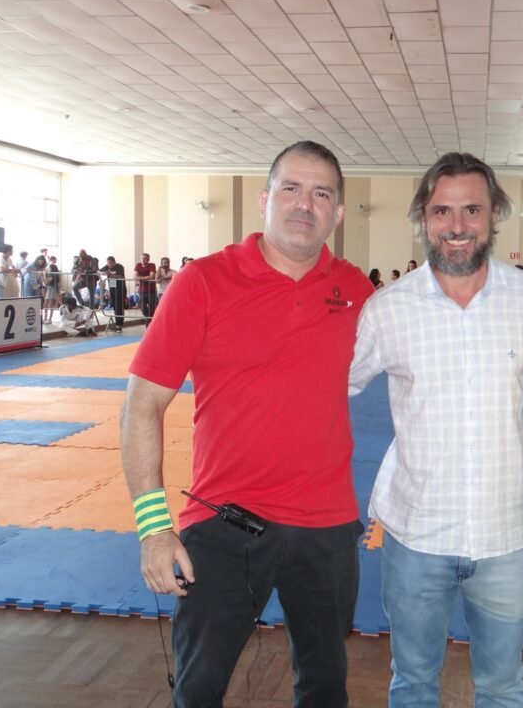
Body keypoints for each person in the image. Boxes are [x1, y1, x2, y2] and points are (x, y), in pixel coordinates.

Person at [120, 141, 373, 708]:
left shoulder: (356, 290)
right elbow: (142, 404)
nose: (304, 204)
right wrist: (154, 528)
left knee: (325, 688)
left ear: (337, 212)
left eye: (321, 194)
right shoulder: (204, 282)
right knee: (199, 689)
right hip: (224, 522)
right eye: (291, 188)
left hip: (327, 526)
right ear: (264, 199)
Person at [349, 152, 523, 706]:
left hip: (509, 535)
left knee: (502, 686)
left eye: (472, 209)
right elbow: (328, 389)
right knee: (413, 683)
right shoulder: (388, 310)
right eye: (442, 211)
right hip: (416, 534)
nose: (457, 225)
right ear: (423, 218)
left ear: (494, 215)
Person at [100, 256, 126, 331]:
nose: (109, 265)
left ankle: (119, 325)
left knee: (119, 307)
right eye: (108, 263)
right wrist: (103, 273)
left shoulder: (119, 267)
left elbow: (120, 276)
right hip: (112, 289)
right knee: (115, 307)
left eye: (110, 263)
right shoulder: (107, 266)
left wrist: (110, 275)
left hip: (120, 289)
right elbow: (99, 270)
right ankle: (117, 324)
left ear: (114, 262)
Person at [134, 252, 157, 320]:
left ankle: (149, 321)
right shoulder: (138, 265)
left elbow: (152, 276)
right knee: (142, 306)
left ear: (148, 259)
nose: (143, 260)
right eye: (142, 258)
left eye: (145, 258)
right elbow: (135, 277)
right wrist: (147, 277)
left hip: (151, 290)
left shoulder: (152, 265)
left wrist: (140, 277)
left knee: (152, 307)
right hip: (142, 290)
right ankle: (149, 319)